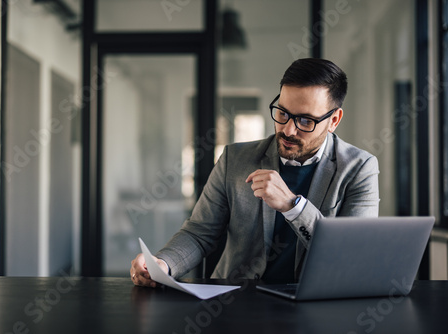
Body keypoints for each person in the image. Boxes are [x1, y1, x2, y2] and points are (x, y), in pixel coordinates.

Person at [130, 58, 380, 287]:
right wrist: (162, 264)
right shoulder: (234, 160)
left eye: (305, 121)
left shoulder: (359, 168)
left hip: (314, 305)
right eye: (282, 113)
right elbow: (199, 233)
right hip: (234, 302)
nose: (289, 130)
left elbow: (352, 255)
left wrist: (293, 206)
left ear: (334, 120)